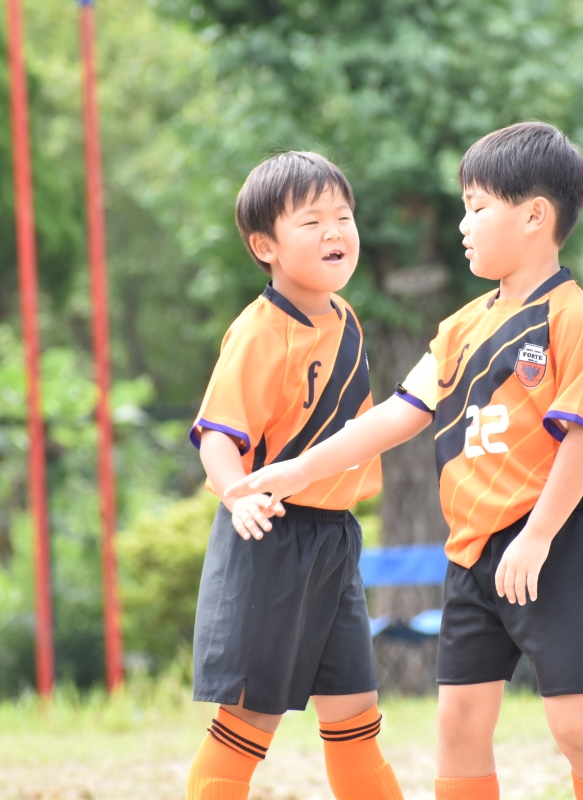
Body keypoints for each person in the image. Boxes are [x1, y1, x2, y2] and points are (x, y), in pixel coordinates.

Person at [230, 122, 583, 800]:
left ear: (534, 216)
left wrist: (537, 535)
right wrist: (296, 471)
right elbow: (397, 414)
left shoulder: (572, 318)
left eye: (477, 208)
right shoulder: (461, 327)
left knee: (576, 724)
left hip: (553, 540)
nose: (463, 225)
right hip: (471, 551)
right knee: (458, 724)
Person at [184, 152, 402, 800]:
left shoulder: (348, 319)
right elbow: (218, 435)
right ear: (265, 246)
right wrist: (239, 498)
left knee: (356, 721)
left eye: (343, 216)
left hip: (335, 540)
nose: (335, 231)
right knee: (247, 725)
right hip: (270, 538)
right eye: (312, 221)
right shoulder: (258, 331)